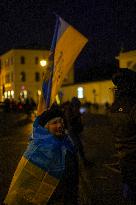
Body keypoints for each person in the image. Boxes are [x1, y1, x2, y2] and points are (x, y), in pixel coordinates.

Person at [4, 105, 79, 205]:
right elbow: (26, 179)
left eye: (61, 121)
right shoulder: (37, 148)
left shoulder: (67, 142)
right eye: (55, 123)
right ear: (46, 127)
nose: (60, 125)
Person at [110, 68, 136, 202]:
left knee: (128, 187)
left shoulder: (114, 106)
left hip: (123, 157)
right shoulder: (133, 106)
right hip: (133, 157)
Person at [62, 97, 93, 167]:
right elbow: (69, 121)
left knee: (78, 146)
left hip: (76, 130)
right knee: (78, 146)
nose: (78, 107)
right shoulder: (68, 110)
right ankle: (81, 162)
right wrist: (77, 115)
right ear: (74, 104)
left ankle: (80, 161)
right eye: (77, 105)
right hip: (72, 131)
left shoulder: (75, 109)